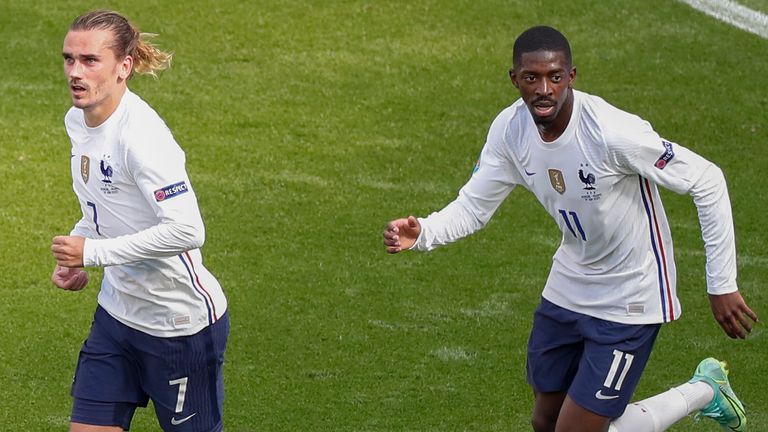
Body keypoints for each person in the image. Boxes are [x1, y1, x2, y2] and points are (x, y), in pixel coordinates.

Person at [383, 26, 757, 432]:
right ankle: (708, 388)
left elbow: (707, 179)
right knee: (545, 421)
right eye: (532, 78)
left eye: (555, 77)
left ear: (571, 76)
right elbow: (474, 207)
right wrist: (424, 233)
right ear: (515, 79)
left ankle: (703, 390)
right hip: (570, 282)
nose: (544, 89)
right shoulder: (510, 131)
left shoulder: (612, 132)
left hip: (630, 294)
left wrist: (722, 283)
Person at [52, 10, 228, 432]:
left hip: (177, 326)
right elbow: (105, 205)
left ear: (124, 67)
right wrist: (79, 248)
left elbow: (188, 230)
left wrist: (92, 253)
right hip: (116, 318)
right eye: (69, 59)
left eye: (90, 60)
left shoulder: (143, 138)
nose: (75, 72)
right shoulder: (77, 121)